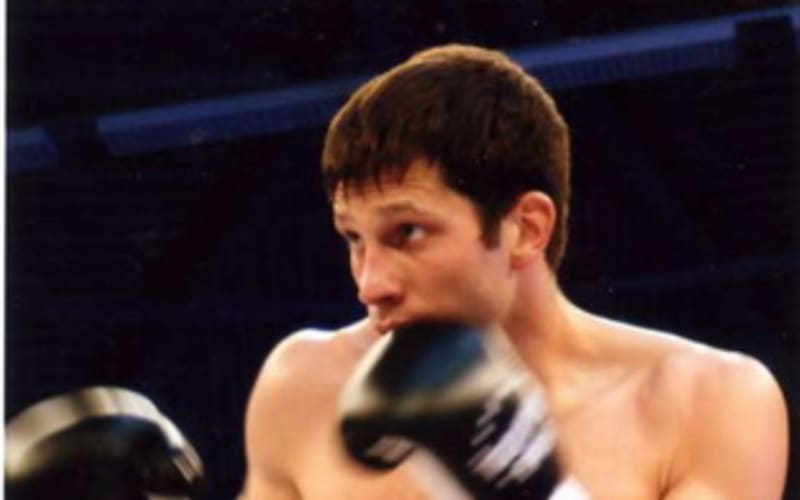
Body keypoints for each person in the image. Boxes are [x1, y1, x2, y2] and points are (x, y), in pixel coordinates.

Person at [240, 44, 789, 499]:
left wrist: (534, 489)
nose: (371, 284)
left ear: (526, 228)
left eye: (407, 232)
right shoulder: (303, 384)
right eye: (354, 239)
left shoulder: (709, 401)